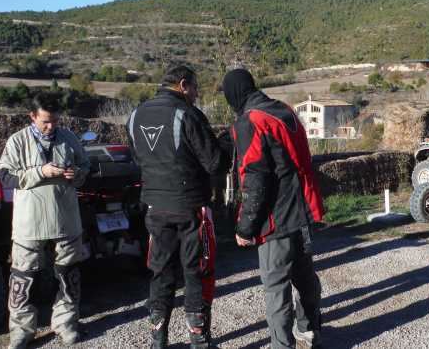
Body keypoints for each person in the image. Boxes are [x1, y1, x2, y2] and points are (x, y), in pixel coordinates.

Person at [127, 65, 229, 349]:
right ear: (183, 85)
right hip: (190, 207)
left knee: (161, 271)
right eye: (194, 88)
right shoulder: (187, 114)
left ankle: (157, 340)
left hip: (155, 207)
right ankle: (199, 341)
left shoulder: (135, 115)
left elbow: (138, 158)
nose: (196, 94)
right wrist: (226, 142)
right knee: (196, 271)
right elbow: (215, 163)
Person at [222, 68, 324, 349]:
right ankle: (309, 332)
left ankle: (282, 345)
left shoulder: (251, 120)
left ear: (234, 94)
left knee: (276, 288)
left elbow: (255, 179)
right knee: (305, 278)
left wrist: (245, 228)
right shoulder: (284, 110)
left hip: (276, 220)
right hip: (303, 211)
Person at [0, 93, 90, 349]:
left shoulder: (69, 138)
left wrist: (77, 174)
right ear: (32, 116)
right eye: (45, 121)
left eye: (55, 121)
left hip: (66, 218)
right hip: (29, 221)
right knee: (22, 278)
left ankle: (66, 323)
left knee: (68, 275)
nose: (51, 126)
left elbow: (86, 166)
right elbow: (6, 177)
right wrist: (41, 171)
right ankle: (21, 331)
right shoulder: (17, 141)